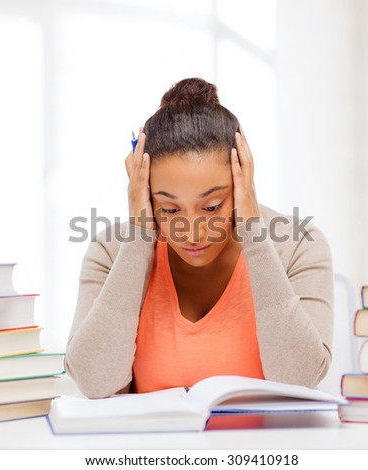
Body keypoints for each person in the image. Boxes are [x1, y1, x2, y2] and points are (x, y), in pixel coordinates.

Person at [64, 77, 334, 399]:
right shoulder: (110, 250)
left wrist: (254, 232)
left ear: (242, 181)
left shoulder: (299, 244)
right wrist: (138, 238)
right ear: (146, 194)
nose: (192, 232)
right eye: (170, 209)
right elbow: (95, 383)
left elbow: (299, 380)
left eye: (211, 206)